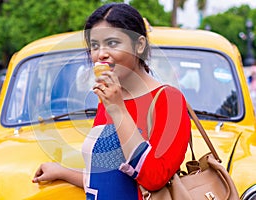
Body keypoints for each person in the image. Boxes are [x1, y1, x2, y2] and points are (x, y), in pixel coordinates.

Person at [33, 3, 191, 199]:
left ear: (139, 45)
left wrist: (118, 110)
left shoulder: (169, 100)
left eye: (113, 43)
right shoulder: (107, 101)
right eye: (95, 46)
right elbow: (106, 179)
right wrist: (62, 172)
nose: (101, 54)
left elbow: (154, 178)